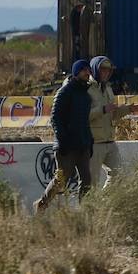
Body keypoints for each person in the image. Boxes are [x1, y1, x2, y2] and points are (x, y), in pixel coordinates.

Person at [36, 60, 94, 212]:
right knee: (62, 179)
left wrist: (90, 141)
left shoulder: (86, 95)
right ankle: (42, 205)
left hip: (83, 145)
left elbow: (85, 121)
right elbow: (55, 119)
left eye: (88, 70)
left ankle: (84, 212)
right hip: (67, 146)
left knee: (86, 180)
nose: (87, 73)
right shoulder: (64, 92)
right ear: (76, 73)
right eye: (83, 70)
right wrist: (63, 141)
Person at [86, 56, 137, 191]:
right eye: (103, 69)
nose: (106, 73)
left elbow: (112, 115)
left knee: (119, 174)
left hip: (109, 141)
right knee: (91, 182)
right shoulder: (86, 89)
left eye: (108, 70)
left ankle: (103, 203)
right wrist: (102, 109)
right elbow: (83, 116)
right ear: (95, 69)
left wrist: (127, 109)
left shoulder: (108, 89)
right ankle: (89, 210)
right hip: (93, 142)